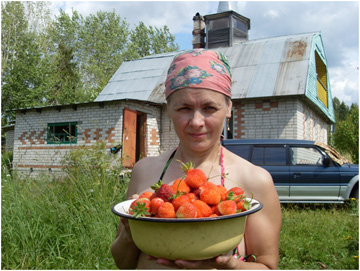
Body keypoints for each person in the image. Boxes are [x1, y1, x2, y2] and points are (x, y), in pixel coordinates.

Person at [111, 49, 281, 269]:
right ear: (169, 109)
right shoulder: (145, 170)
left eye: (209, 108)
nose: (196, 121)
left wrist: (228, 265)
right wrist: (129, 232)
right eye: (184, 108)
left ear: (229, 108)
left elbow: (268, 266)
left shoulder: (254, 180)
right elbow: (124, 264)